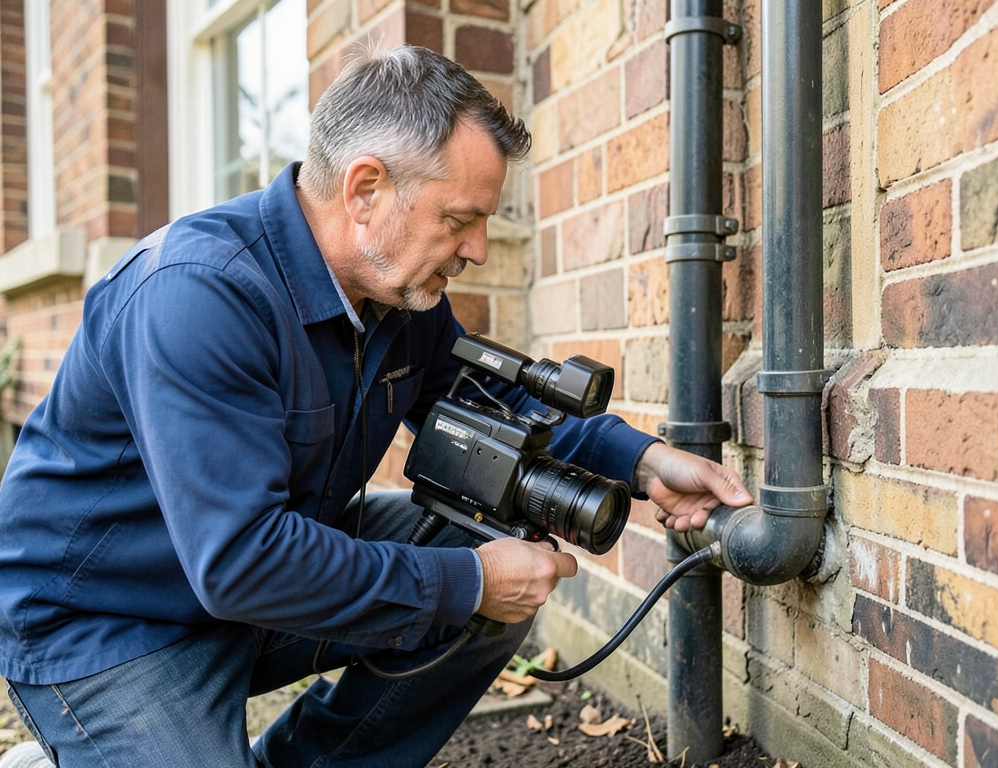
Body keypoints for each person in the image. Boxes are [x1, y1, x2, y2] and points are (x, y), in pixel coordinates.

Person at [0, 45, 753, 768]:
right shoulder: (198, 295)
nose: (478, 249)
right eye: (458, 220)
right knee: (472, 579)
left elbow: (497, 406)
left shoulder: (399, 298)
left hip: (249, 588)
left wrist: (643, 463)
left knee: (482, 551)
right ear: (365, 191)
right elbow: (240, 561)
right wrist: (470, 582)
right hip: (108, 624)